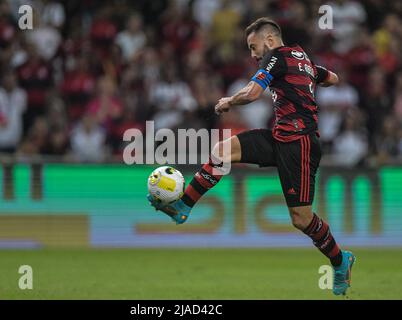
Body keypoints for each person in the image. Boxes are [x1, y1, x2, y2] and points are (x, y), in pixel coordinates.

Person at [148, 17, 356, 296]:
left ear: (269, 40)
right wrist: (311, 75)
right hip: (279, 136)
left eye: (253, 46)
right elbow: (333, 78)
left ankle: (341, 260)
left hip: (300, 144)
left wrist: (228, 101)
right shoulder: (301, 58)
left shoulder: (276, 56)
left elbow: (253, 92)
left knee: (301, 219)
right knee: (223, 150)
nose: (253, 53)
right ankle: (183, 207)